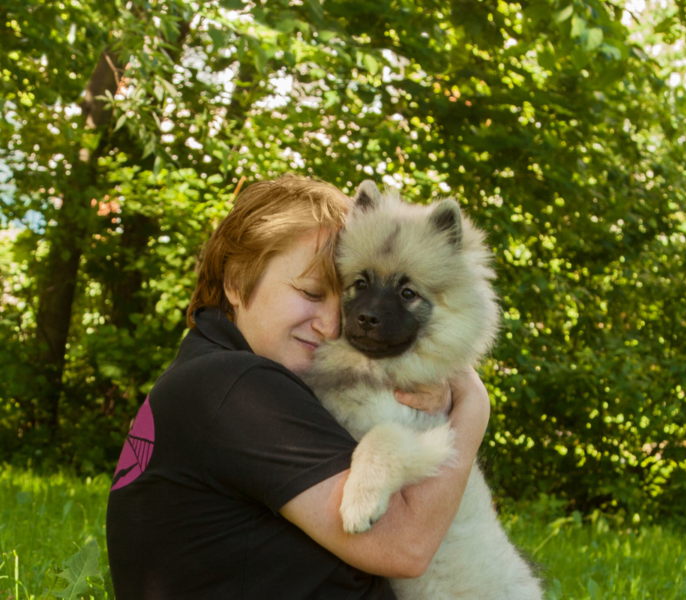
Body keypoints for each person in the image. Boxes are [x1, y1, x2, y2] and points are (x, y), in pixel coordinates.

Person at [105, 176, 491, 599]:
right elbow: (405, 548)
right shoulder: (240, 389)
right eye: (310, 292)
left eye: (337, 295)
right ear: (235, 282)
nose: (331, 325)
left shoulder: (202, 374)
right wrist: (473, 406)